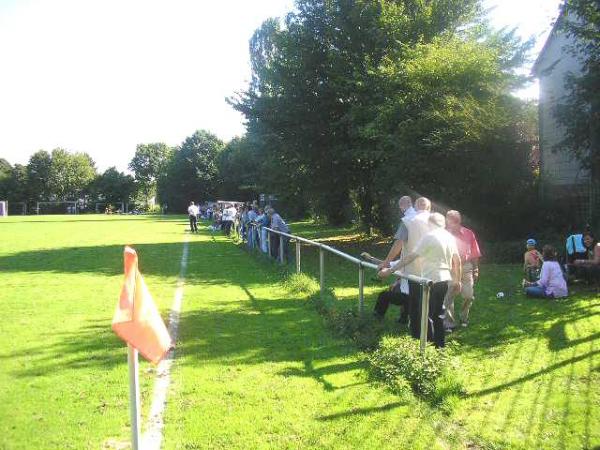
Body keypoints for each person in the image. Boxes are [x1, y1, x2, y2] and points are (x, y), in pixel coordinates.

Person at [380, 212, 461, 348]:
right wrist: (457, 280)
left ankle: (427, 346)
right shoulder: (449, 237)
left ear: (429, 224)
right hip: (444, 280)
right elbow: (457, 260)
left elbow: (410, 257)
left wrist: (390, 270)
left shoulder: (429, 237)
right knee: (438, 314)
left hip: (430, 280)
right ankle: (440, 347)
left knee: (426, 314)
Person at [443, 210, 482, 330]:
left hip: (466, 267)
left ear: (459, 221)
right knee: (449, 295)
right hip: (450, 267)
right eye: (450, 221)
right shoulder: (443, 234)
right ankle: (449, 322)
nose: (453, 223)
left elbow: (475, 253)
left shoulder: (468, 233)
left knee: (469, 295)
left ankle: (464, 316)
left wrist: (475, 268)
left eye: (456, 221)